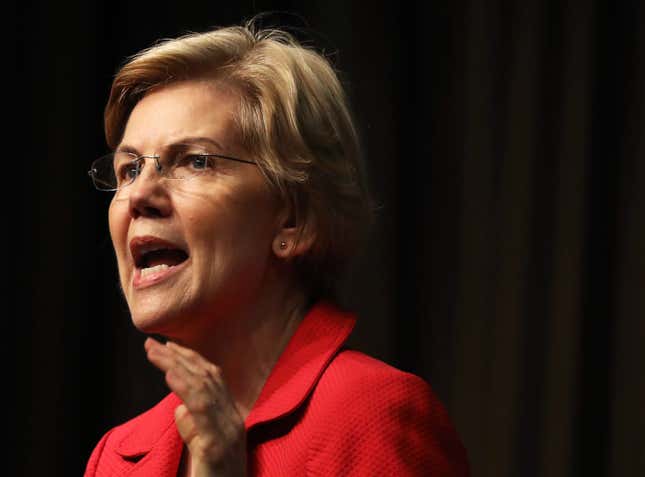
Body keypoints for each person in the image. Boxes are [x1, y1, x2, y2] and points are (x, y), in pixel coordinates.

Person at [84, 19, 470, 477]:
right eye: (129, 170)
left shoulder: (374, 420)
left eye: (195, 161)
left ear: (292, 217)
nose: (140, 196)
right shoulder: (119, 456)